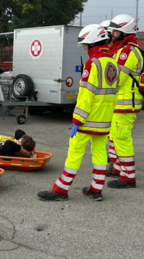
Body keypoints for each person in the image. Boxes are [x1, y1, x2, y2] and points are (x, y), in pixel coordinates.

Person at [37, 24, 119, 201]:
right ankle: (96, 189)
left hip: (88, 119)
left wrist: (77, 119)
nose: (84, 48)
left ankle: (61, 189)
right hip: (104, 120)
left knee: (74, 153)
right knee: (99, 153)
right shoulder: (113, 62)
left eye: (85, 45)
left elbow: (86, 94)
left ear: (92, 43)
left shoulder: (93, 63)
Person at [106, 14, 143, 188]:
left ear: (124, 31)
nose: (112, 34)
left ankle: (128, 177)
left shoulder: (127, 51)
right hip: (120, 102)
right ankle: (119, 168)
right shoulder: (122, 49)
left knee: (121, 138)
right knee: (114, 136)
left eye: (115, 30)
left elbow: (115, 79)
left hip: (126, 103)